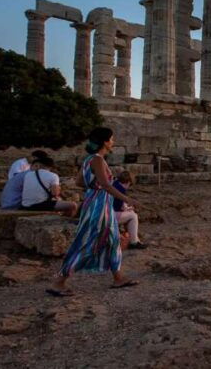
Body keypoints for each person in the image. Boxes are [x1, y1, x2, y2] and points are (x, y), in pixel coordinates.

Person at [47, 127, 142, 297]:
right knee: (88, 242)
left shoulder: (89, 160)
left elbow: (79, 182)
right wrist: (127, 199)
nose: (113, 142)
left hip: (99, 203)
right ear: (105, 142)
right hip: (99, 205)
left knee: (113, 240)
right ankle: (59, 282)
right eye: (111, 139)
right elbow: (106, 185)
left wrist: (93, 187)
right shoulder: (97, 160)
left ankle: (118, 277)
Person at [112, 171, 147, 250]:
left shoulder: (115, 183)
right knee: (133, 216)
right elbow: (119, 207)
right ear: (128, 182)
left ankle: (135, 239)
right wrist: (129, 208)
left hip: (108, 211)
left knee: (131, 213)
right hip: (111, 214)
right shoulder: (121, 189)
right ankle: (134, 242)